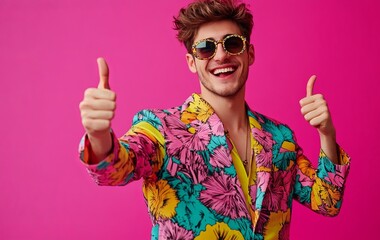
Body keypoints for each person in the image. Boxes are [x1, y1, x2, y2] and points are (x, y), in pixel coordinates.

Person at [78, 0, 350, 239]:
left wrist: (327, 134)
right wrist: (98, 135)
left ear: (249, 54)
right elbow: (112, 169)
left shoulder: (280, 139)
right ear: (191, 61)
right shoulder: (161, 129)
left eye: (232, 43)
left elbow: (327, 201)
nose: (221, 55)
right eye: (206, 48)